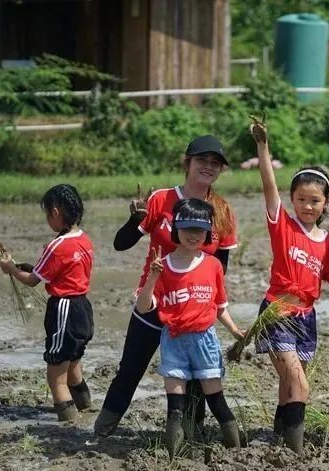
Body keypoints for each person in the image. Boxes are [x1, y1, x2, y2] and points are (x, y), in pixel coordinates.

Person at [95, 135, 238, 437]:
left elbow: (220, 267)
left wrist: (208, 304)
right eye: (202, 160)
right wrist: (135, 219)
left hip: (192, 309)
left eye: (215, 163)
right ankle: (102, 431)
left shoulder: (222, 211)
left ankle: (189, 433)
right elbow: (121, 244)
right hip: (154, 302)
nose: (208, 167)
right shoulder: (161, 199)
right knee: (131, 368)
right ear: (188, 163)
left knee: (197, 376)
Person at [249, 118, 329, 454]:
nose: (307, 206)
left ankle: (280, 435)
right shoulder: (282, 225)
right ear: (292, 199)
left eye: (315, 200)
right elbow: (268, 186)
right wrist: (263, 146)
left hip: (305, 318)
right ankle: (296, 450)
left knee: (289, 382)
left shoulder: (326, 241)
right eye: (301, 199)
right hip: (276, 313)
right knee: (299, 382)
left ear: (325, 203)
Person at [135, 198, 244, 457]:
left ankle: (238, 453)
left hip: (204, 341)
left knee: (216, 401)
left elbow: (220, 306)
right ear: (176, 229)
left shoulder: (213, 265)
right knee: (175, 406)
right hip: (173, 341)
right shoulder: (163, 266)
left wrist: (235, 331)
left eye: (199, 230)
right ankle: (176, 456)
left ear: (208, 232)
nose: (193, 235)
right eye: (187, 229)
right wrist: (152, 277)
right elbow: (142, 307)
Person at [0, 184, 94, 422]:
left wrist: (10, 268)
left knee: (55, 375)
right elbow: (63, 270)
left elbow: (32, 281)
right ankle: (85, 410)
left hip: (63, 309)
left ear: (54, 212)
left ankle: (68, 422)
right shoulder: (84, 239)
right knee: (73, 365)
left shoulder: (56, 246)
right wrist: (31, 269)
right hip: (83, 308)